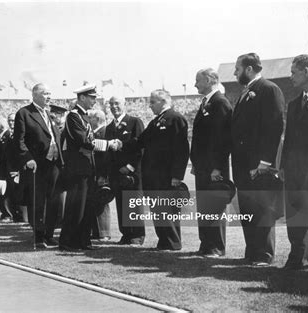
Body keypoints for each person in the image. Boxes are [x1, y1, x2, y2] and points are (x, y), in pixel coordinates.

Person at [119, 90, 189, 251]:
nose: (149, 105)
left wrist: (177, 176)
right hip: (153, 176)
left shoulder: (175, 118)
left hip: (166, 176)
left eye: (152, 102)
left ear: (163, 101)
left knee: (167, 210)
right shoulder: (157, 121)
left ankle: (172, 243)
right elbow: (140, 141)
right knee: (158, 210)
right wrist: (120, 144)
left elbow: (182, 150)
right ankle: (164, 241)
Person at [231, 53, 284, 266]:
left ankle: (264, 254)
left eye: (237, 68)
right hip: (243, 165)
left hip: (258, 164)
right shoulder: (247, 92)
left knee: (261, 210)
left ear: (249, 69)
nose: (235, 72)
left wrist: (264, 162)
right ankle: (252, 252)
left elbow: (274, 127)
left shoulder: (269, 89)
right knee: (247, 210)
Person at [59, 84, 116, 251]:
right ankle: (68, 241)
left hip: (86, 168)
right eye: (92, 97)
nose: (94, 101)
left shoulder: (83, 117)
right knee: (75, 206)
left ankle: (82, 241)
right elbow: (84, 141)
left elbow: (87, 141)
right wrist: (108, 144)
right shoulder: (73, 116)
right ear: (82, 98)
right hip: (77, 169)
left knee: (86, 207)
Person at [14, 83, 64, 248]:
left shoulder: (48, 114)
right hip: (37, 165)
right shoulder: (25, 113)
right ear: (35, 95)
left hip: (53, 164)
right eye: (45, 93)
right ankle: (39, 237)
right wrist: (27, 158)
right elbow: (19, 141)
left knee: (53, 201)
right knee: (38, 202)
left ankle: (49, 235)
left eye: (50, 93)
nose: (49, 97)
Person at [190, 68, 232, 258]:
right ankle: (206, 244)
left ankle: (216, 247)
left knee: (214, 206)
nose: (195, 84)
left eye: (198, 80)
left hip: (214, 168)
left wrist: (217, 167)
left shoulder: (219, 103)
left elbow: (222, 139)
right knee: (205, 208)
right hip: (203, 167)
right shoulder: (206, 103)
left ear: (208, 80)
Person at [280, 54, 308, 270]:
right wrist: (283, 166)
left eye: (294, 72)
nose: (290, 77)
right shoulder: (293, 105)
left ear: (307, 72)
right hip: (293, 170)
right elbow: (289, 139)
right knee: (295, 214)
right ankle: (298, 258)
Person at [104, 95, 145, 245]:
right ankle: (126, 234)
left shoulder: (134, 122)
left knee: (133, 203)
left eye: (117, 103)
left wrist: (129, 167)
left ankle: (137, 235)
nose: (114, 106)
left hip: (131, 173)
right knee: (121, 204)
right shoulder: (109, 127)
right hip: (116, 173)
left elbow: (141, 147)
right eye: (111, 104)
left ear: (124, 104)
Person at [88, 108, 111, 241]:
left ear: (96, 119)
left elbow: (106, 156)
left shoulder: (104, 132)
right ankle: (97, 232)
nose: (88, 120)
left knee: (102, 203)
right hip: (94, 173)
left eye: (90, 118)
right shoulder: (96, 132)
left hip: (101, 173)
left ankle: (104, 233)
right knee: (95, 202)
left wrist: (103, 174)